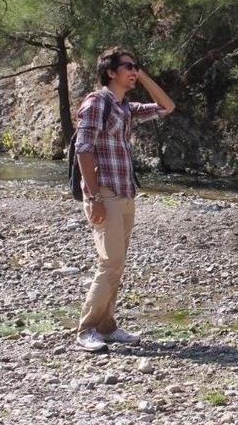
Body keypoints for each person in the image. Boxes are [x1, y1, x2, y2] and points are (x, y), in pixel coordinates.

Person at [74, 47, 176, 351]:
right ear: (110, 72)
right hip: (104, 192)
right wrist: (93, 198)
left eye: (136, 66)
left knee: (117, 264)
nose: (134, 71)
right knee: (110, 261)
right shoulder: (96, 103)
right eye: (128, 67)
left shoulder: (124, 108)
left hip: (125, 191)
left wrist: (142, 75)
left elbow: (166, 106)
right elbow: (83, 149)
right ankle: (86, 329)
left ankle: (106, 326)